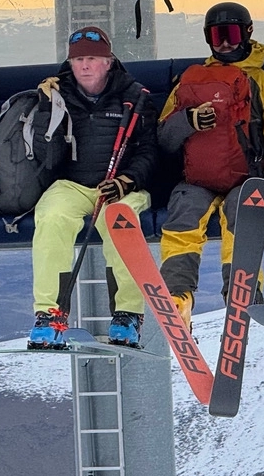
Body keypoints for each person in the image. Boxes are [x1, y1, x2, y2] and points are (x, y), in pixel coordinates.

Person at [157, 2, 264, 329]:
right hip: (197, 181)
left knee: (242, 214)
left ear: (247, 33)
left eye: (231, 34)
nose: (225, 43)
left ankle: (241, 292)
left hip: (246, 180)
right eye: (217, 36)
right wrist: (187, 121)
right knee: (183, 217)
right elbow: (164, 137)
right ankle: (178, 297)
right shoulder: (189, 81)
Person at [28, 26, 158, 350]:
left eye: (92, 58)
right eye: (78, 59)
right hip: (72, 185)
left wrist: (127, 181)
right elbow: (48, 157)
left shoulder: (134, 96)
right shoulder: (57, 95)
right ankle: (50, 315)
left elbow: (149, 150)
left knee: (119, 219)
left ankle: (128, 314)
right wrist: (47, 109)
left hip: (120, 187)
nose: (85, 65)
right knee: (51, 217)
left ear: (108, 62)